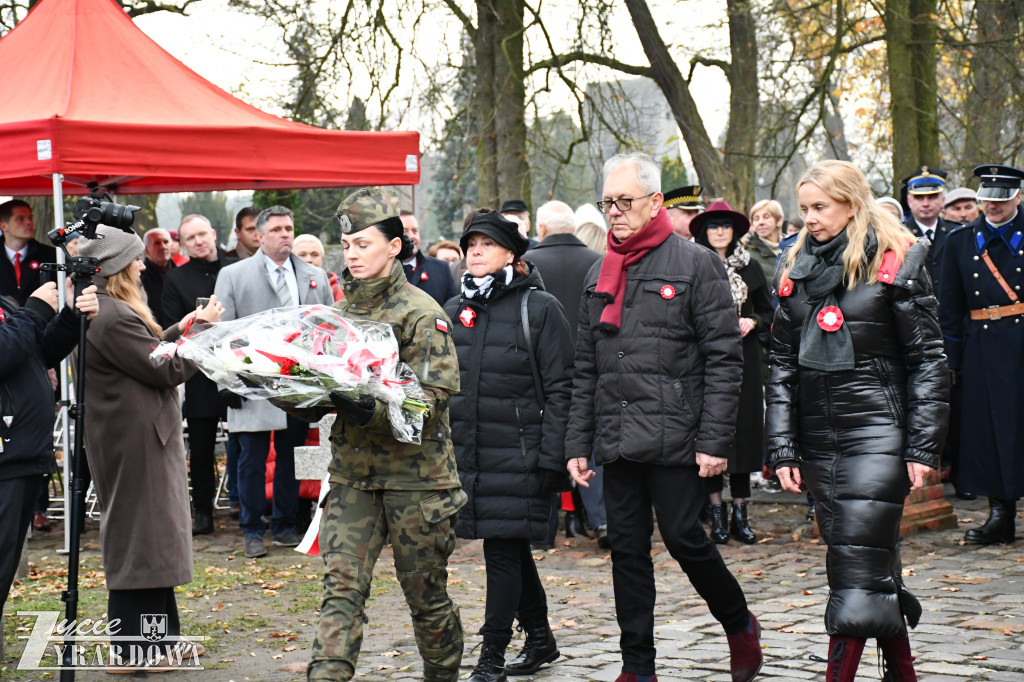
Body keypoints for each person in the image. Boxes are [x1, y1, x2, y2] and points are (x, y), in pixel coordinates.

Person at [565, 152, 762, 682]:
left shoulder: (697, 264)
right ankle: (638, 666)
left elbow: (724, 357)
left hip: (678, 434)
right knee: (626, 551)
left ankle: (739, 623)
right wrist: (577, 443)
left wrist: (715, 441)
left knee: (684, 538)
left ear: (655, 203)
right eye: (607, 202)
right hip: (618, 436)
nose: (614, 211)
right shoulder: (598, 271)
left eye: (624, 201)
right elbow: (586, 366)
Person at [767, 160, 949, 681]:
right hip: (818, 440)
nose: (810, 219)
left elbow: (928, 360)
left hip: (878, 432)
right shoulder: (794, 266)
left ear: (851, 204)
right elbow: (781, 366)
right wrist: (782, 447)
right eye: (804, 209)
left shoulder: (897, 259)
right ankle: (902, 671)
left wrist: (922, 446)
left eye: (820, 207)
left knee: (853, 567)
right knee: (869, 565)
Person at [283, 187, 465, 681]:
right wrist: (282, 385)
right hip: (353, 478)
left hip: (416, 482)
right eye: (347, 245)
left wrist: (371, 409)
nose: (352, 254)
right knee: (341, 593)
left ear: (395, 246)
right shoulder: (338, 315)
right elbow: (315, 397)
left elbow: (431, 402)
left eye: (363, 244)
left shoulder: (422, 314)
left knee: (426, 599)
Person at [78, 226, 223, 672]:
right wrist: (203, 335)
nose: (143, 266)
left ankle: (163, 639)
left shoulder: (112, 310)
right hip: (133, 443)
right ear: (119, 267)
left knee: (155, 540)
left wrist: (187, 325)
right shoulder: (112, 316)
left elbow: (153, 350)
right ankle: (131, 650)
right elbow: (164, 369)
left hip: (140, 438)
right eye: (136, 259)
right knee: (139, 540)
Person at [446, 211, 574, 681]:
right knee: (510, 547)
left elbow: (563, 388)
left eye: (486, 244)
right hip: (471, 454)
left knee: (501, 550)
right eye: (470, 245)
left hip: (521, 455)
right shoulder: (453, 308)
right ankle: (540, 638)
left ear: (510, 253)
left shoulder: (539, 308)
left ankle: (492, 656)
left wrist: (553, 456)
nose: (475, 252)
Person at [213, 206, 333, 558]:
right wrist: (225, 381)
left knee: (291, 456)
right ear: (260, 235)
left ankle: (284, 524)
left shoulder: (314, 275)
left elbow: (328, 326)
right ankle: (251, 528)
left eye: (289, 229)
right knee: (251, 458)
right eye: (277, 229)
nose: (285, 235)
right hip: (251, 379)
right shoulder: (233, 275)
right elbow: (221, 331)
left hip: (297, 383)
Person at [1, 279, 97, 638]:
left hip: (23, 455)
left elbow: (38, 354)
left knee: (5, 566)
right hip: (6, 459)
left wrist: (70, 316)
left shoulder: (3, 305)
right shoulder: (18, 311)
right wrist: (35, 311)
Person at [939, 164, 1024, 545]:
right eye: (987, 199)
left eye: (1001, 199)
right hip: (982, 346)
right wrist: (952, 361)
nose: (993, 206)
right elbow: (949, 306)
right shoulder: (961, 241)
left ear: (1018, 197)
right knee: (989, 431)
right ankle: (1000, 515)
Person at [523, 200, 607, 547]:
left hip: (539, 367)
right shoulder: (599, 262)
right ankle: (602, 519)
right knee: (594, 440)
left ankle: (544, 526)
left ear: (541, 229)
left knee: (545, 439)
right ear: (573, 228)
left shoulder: (527, 264)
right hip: (593, 364)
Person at [691, 201, 773, 545]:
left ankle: (741, 512)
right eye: (714, 226)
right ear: (704, 231)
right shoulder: (695, 264)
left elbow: (769, 312)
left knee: (744, 433)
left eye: (726, 225)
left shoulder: (750, 266)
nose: (720, 231)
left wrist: (752, 321)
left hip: (745, 359)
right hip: (705, 359)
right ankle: (716, 513)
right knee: (710, 431)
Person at [161, 214, 235, 535]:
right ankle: (203, 512)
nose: (198, 241)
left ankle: (248, 503)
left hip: (238, 366)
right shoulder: (176, 278)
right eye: (190, 238)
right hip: (199, 371)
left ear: (214, 233)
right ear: (182, 244)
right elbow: (172, 323)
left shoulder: (236, 267)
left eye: (202, 234)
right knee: (201, 447)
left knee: (246, 442)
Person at [901, 166, 956, 296]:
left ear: (943, 200)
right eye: (919, 197)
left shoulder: (955, 233)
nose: (925, 203)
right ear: (909, 201)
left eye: (932, 197)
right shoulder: (898, 235)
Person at [0, 199, 57, 306]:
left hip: (41, 315)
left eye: (30, 218)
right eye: (20, 219)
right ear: (4, 226)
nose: (29, 222)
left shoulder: (51, 255)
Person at [400, 210, 459, 306]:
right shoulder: (383, 271)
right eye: (404, 231)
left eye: (415, 231)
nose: (412, 236)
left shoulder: (440, 269)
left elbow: (453, 308)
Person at [744, 199, 784, 284]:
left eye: (766, 217)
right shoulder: (748, 256)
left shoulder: (794, 247)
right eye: (756, 219)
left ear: (779, 221)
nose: (761, 222)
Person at [293, 233, 344, 301]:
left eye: (314, 255)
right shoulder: (285, 288)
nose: (309, 260)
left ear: (322, 259)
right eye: (302, 255)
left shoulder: (338, 291)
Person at [140, 228, 176, 324]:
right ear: (147, 250)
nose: (163, 247)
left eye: (166, 242)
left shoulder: (182, 275)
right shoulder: (138, 277)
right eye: (157, 243)